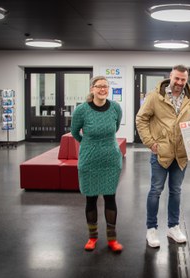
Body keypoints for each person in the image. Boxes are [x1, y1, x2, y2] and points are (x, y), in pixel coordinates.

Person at [136, 64, 190, 248]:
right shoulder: (155, 96)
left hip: (181, 154)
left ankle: (173, 227)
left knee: (176, 191)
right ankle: (151, 229)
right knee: (155, 190)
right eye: (176, 78)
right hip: (161, 152)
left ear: (186, 80)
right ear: (170, 77)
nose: (179, 82)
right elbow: (141, 119)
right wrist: (150, 143)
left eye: (183, 79)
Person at [71, 75, 123, 253]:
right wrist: (89, 144)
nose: (103, 89)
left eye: (105, 86)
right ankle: (92, 238)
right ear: (92, 88)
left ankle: (112, 239)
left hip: (110, 160)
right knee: (91, 198)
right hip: (89, 160)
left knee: (110, 198)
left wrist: (103, 142)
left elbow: (114, 129)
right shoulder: (82, 110)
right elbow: (75, 132)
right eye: (99, 86)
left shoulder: (115, 107)